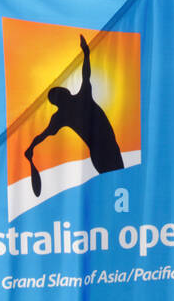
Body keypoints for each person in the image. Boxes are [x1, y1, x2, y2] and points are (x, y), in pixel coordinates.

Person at [24, 34, 123, 190]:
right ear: (63, 96)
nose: (65, 91)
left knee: (115, 186)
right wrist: (86, 53)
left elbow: (42, 136)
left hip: (103, 152)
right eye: (61, 92)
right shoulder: (79, 100)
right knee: (119, 184)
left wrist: (31, 148)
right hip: (106, 151)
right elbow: (86, 74)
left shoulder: (62, 115)